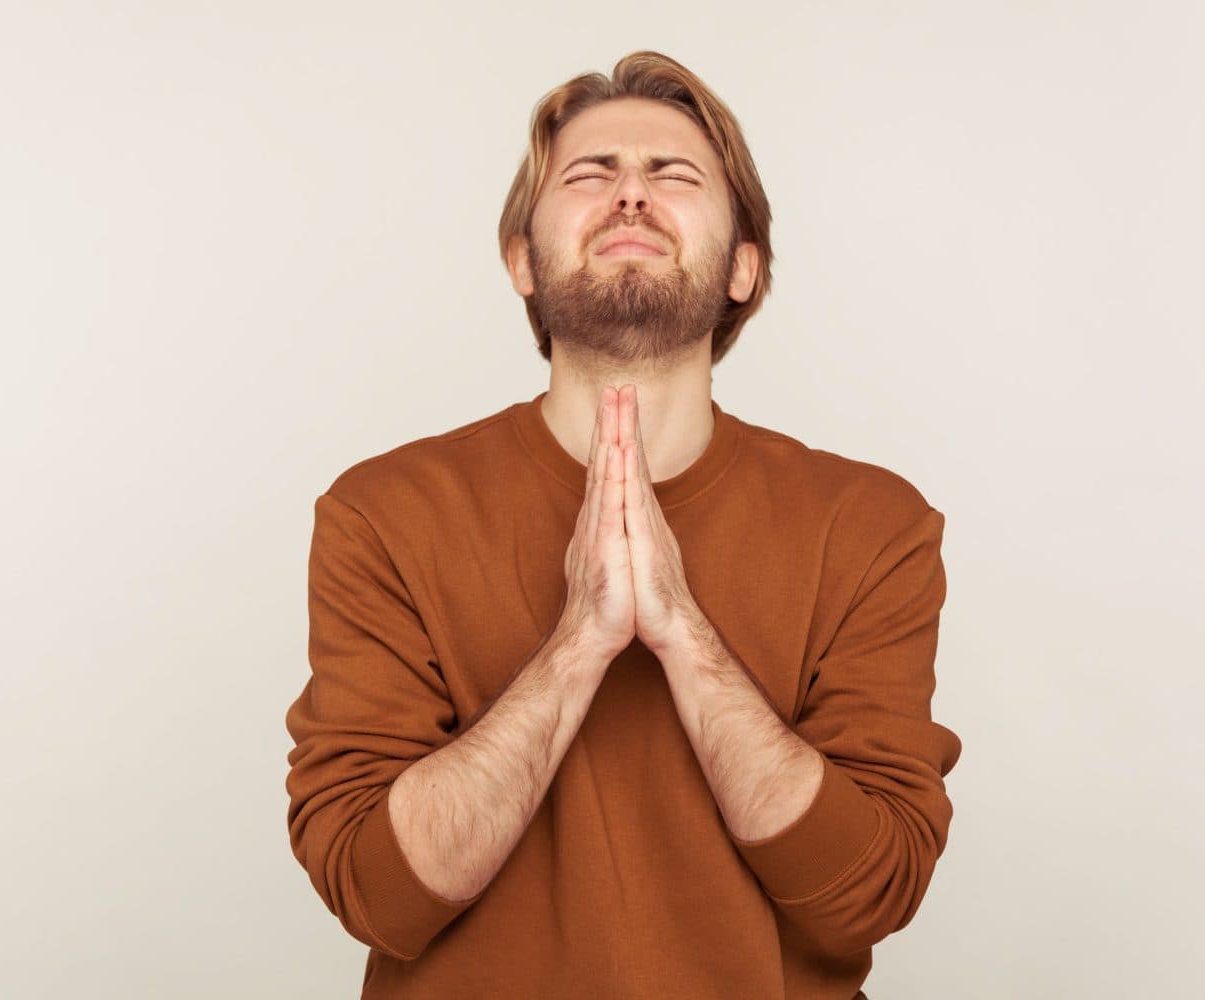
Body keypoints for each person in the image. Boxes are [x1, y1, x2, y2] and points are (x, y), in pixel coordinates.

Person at [283, 49, 960, 1000]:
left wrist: (680, 633)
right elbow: (379, 896)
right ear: (521, 259)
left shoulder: (871, 526)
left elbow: (867, 896)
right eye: (590, 174)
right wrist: (580, 642)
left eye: (673, 176)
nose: (631, 196)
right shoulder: (384, 514)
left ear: (742, 267)